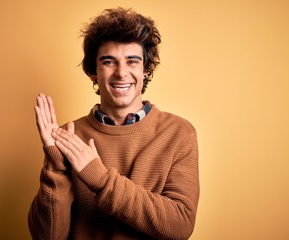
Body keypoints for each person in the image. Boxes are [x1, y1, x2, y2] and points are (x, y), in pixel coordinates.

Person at [28, 7, 199, 240]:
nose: (121, 73)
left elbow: (179, 226)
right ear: (92, 72)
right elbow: (47, 237)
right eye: (109, 62)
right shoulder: (69, 136)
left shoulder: (178, 132)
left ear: (146, 70)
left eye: (132, 61)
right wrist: (55, 167)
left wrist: (99, 178)